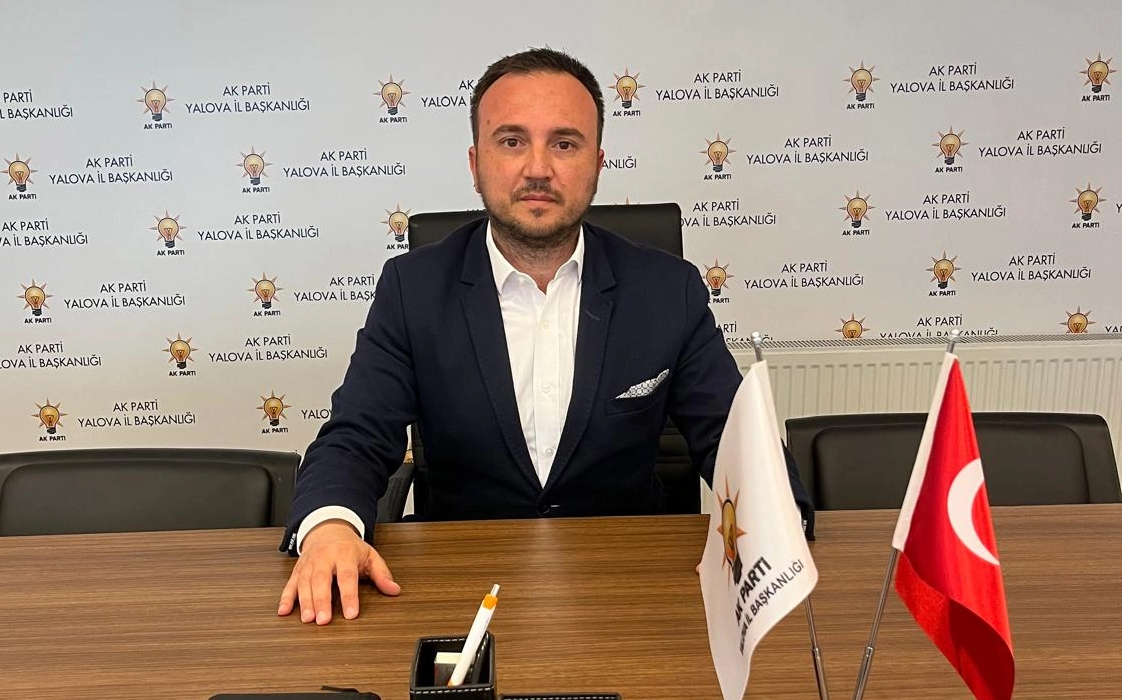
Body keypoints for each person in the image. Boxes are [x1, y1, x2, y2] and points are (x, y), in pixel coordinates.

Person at [277, 47, 813, 625]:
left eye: (564, 144)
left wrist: (777, 524)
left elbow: (734, 442)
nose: (537, 168)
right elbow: (356, 434)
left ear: (597, 163)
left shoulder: (667, 290)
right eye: (511, 141)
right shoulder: (413, 289)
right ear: (475, 163)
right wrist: (330, 527)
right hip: (459, 587)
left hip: (630, 590)